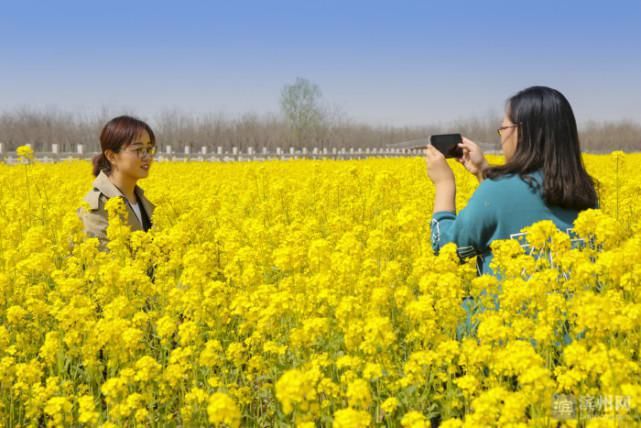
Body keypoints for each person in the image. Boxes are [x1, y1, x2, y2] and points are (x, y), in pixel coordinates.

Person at [426, 86, 598, 276]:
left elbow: (445, 249)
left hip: (506, 305)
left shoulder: (497, 191)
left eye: (503, 128)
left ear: (523, 133)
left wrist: (444, 184)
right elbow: (512, 212)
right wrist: (483, 170)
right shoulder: (585, 192)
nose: (502, 138)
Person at [79, 115, 156, 246]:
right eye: (138, 150)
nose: (147, 156)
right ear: (111, 156)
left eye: (149, 149)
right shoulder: (96, 207)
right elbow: (101, 260)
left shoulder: (145, 202)